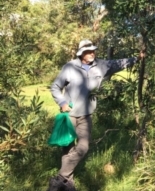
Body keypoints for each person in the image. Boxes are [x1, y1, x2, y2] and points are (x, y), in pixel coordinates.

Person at [47, 39, 139, 191]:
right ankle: (68, 184)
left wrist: (137, 58)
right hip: (69, 115)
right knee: (67, 149)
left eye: (93, 50)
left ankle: (59, 179)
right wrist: (62, 103)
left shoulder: (101, 65)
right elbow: (55, 87)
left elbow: (118, 63)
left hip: (86, 115)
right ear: (80, 53)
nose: (92, 53)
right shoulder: (70, 67)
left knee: (83, 147)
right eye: (88, 51)